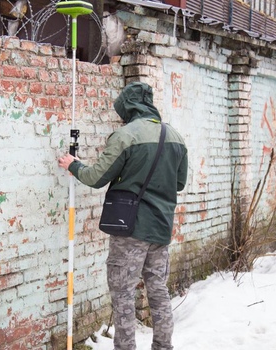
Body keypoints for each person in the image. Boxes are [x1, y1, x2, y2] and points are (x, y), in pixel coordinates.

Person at [57, 82, 188, 350]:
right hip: (161, 229)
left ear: (128, 108)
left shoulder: (125, 136)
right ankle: (163, 347)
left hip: (129, 229)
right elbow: (179, 184)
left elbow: (96, 178)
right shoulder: (175, 137)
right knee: (159, 291)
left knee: (123, 295)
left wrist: (74, 165)